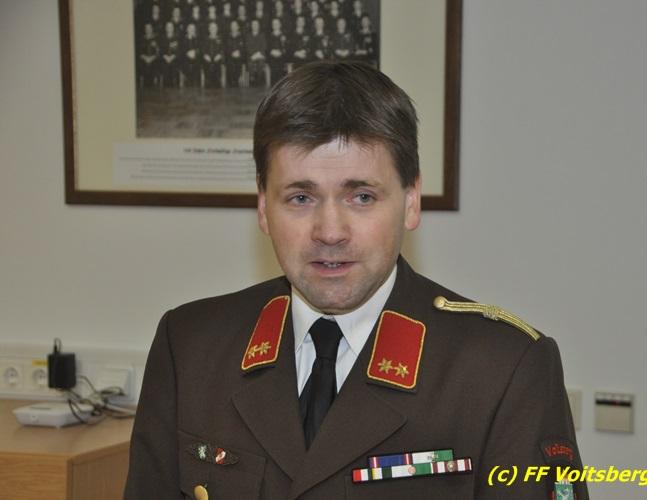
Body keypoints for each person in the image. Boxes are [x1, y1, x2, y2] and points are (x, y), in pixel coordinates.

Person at [124, 61, 588, 499]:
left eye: (362, 196)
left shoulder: (502, 368)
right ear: (263, 207)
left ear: (411, 201)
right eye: (300, 198)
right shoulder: (192, 345)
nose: (330, 232)